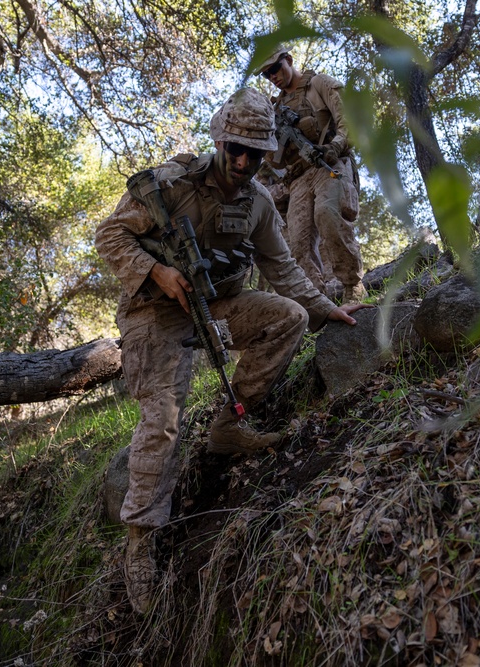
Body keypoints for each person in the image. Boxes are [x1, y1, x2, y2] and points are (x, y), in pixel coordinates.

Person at [94, 87, 366, 614]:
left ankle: (227, 425)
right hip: (154, 312)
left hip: (219, 302)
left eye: (255, 152)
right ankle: (140, 543)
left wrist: (321, 307)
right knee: (166, 417)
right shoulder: (169, 186)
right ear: (219, 141)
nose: (244, 161)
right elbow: (109, 237)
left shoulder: (260, 202)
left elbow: (282, 267)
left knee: (286, 317)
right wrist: (158, 271)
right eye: (236, 148)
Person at [257, 45, 366, 303]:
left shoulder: (318, 84)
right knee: (297, 244)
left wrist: (334, 147)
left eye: (275, 68)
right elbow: (272, 157)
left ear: (289, 60)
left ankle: (353, 285)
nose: (273, 76)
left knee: (327, 213)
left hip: (329, 164)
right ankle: (320, 301)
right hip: (298, 179)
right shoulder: (275, 111)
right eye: (267, 74)